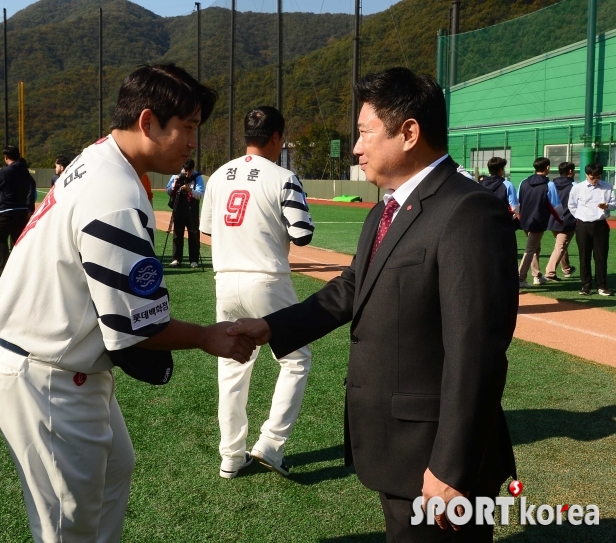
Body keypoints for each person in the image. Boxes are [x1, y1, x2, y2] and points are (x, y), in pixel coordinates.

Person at [229, 67, 518, 542]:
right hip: (397, 451)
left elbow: (477, 351)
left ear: (408, 133)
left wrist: (450, 467)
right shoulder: (389, 207)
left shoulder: (468, 210)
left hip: (435, 459)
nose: (357, 147)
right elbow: (350, 289)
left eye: (364, 133)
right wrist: (269, 327)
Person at [0, 63, 255, 543]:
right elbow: (138, 328)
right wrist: (211, 336)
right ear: (147, 122)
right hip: (48, 373)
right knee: (68, 529)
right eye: (187, 128)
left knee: (113, 475)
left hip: (58, 359)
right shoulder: (115, 193)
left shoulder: (100, 158)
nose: (194, 142)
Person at [200, 106, 315, 479]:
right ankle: (270, 444)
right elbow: (303, 234)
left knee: (232, 365)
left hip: (225, 279)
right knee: (296, 360)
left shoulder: (218, 176)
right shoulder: (283, 176)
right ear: (277, 138)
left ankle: (231, 456)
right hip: (267, 278)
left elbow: (208, 231)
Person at [0, 145, 37, 281]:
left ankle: (4, 269)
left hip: (8, 210)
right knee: (16, 241)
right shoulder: (25, 171)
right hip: (22, 210)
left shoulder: (6, 171)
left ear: (5, 157)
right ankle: (21, 269)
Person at [568, 162, 615, 296]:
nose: (595, 180)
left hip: (600, 225)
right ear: (587, 175)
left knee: (601, 256)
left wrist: (607, 206)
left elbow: (614, 203)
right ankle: (586, 285)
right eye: (592, 177)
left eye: (598, 177)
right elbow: (571, 205)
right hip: (583, 225)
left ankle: (602, 285)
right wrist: (579, 216)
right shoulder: (578, 188)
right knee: (584, 256)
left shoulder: (607, 186)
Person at [517, 157, 563, 288]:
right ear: (547, 167)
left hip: (525, 220)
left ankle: (537, 276)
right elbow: (556, 206)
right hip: (538, 220)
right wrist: (561, 220)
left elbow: (519, 201)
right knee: (531, 249)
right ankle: (520, 278)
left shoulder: (524, 182)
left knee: (535, 248)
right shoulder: (549, 185)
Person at [166, 158, 204, 267]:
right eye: (185, 171)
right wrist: (174, 184)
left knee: (193, 234)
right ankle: (176, 259)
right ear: (183, 168)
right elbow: (168, 191)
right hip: (179, 208)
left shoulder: (197, 177)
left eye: (190, 171)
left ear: (193, 169)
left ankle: (194, 260)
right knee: (177, 233)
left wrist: (190, 190)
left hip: (192, 210)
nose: (187, 174)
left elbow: (200, 194)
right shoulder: (176, 175)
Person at [544, 162, 577, 281]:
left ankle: (566, 268)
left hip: (552, 218)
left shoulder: (551, 184)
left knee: (562, 244)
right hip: (568, 220)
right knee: (561, 245)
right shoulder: (574, 185)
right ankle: (550, 272)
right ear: (570, 171)